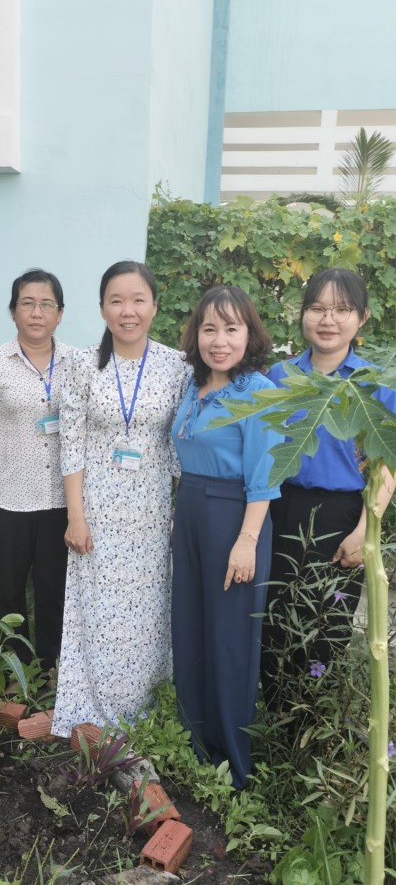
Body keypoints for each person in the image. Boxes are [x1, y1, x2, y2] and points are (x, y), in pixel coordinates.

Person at [51, 260, 187, 737]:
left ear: (154, 306)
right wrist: (75, 515)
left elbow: (180, 444)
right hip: (97, 510)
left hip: (152, 510)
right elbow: (70, 442)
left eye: (138, 300)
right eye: (117, 301)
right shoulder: (81, 364)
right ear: (102, 308)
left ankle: (145, 709)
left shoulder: (177, 366)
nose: (128, 311)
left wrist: (181, 513)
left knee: (149, 610)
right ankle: (92, 708)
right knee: (98, 608)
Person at [261, 267, 396, 710]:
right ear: (302, 314)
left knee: (327, 627)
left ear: (363, 317)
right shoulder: (280, 375)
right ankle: (271, 728)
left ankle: (311, 728)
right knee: (272, 623)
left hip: (343, 516)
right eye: (317, 308)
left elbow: (389, 466)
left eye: (341, 310)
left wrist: (365, 530)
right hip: (280, 509)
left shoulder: (377, 383)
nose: (328, 320)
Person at [171, 285, 282, 790]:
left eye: (231, 329)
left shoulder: (258, 390)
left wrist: (246, 541)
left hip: (236, 517)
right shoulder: (191, 385)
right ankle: (197, 743)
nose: (219, 341)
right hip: (192, 511)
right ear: (196, 335)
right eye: (209, 329)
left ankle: (235, 762)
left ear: (248, 334)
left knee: (231, 637)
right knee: (192, 625)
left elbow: (265, 476)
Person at [0, 269, 73, 669]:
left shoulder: (77, 363)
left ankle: (51, 671)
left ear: (60, 313)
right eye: (27, 303)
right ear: (13, 310)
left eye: (46, 304)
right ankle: (14, 670)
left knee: (54, 590)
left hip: (61, 499)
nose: (36, 312)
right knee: (9, 593)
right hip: (8, 498)